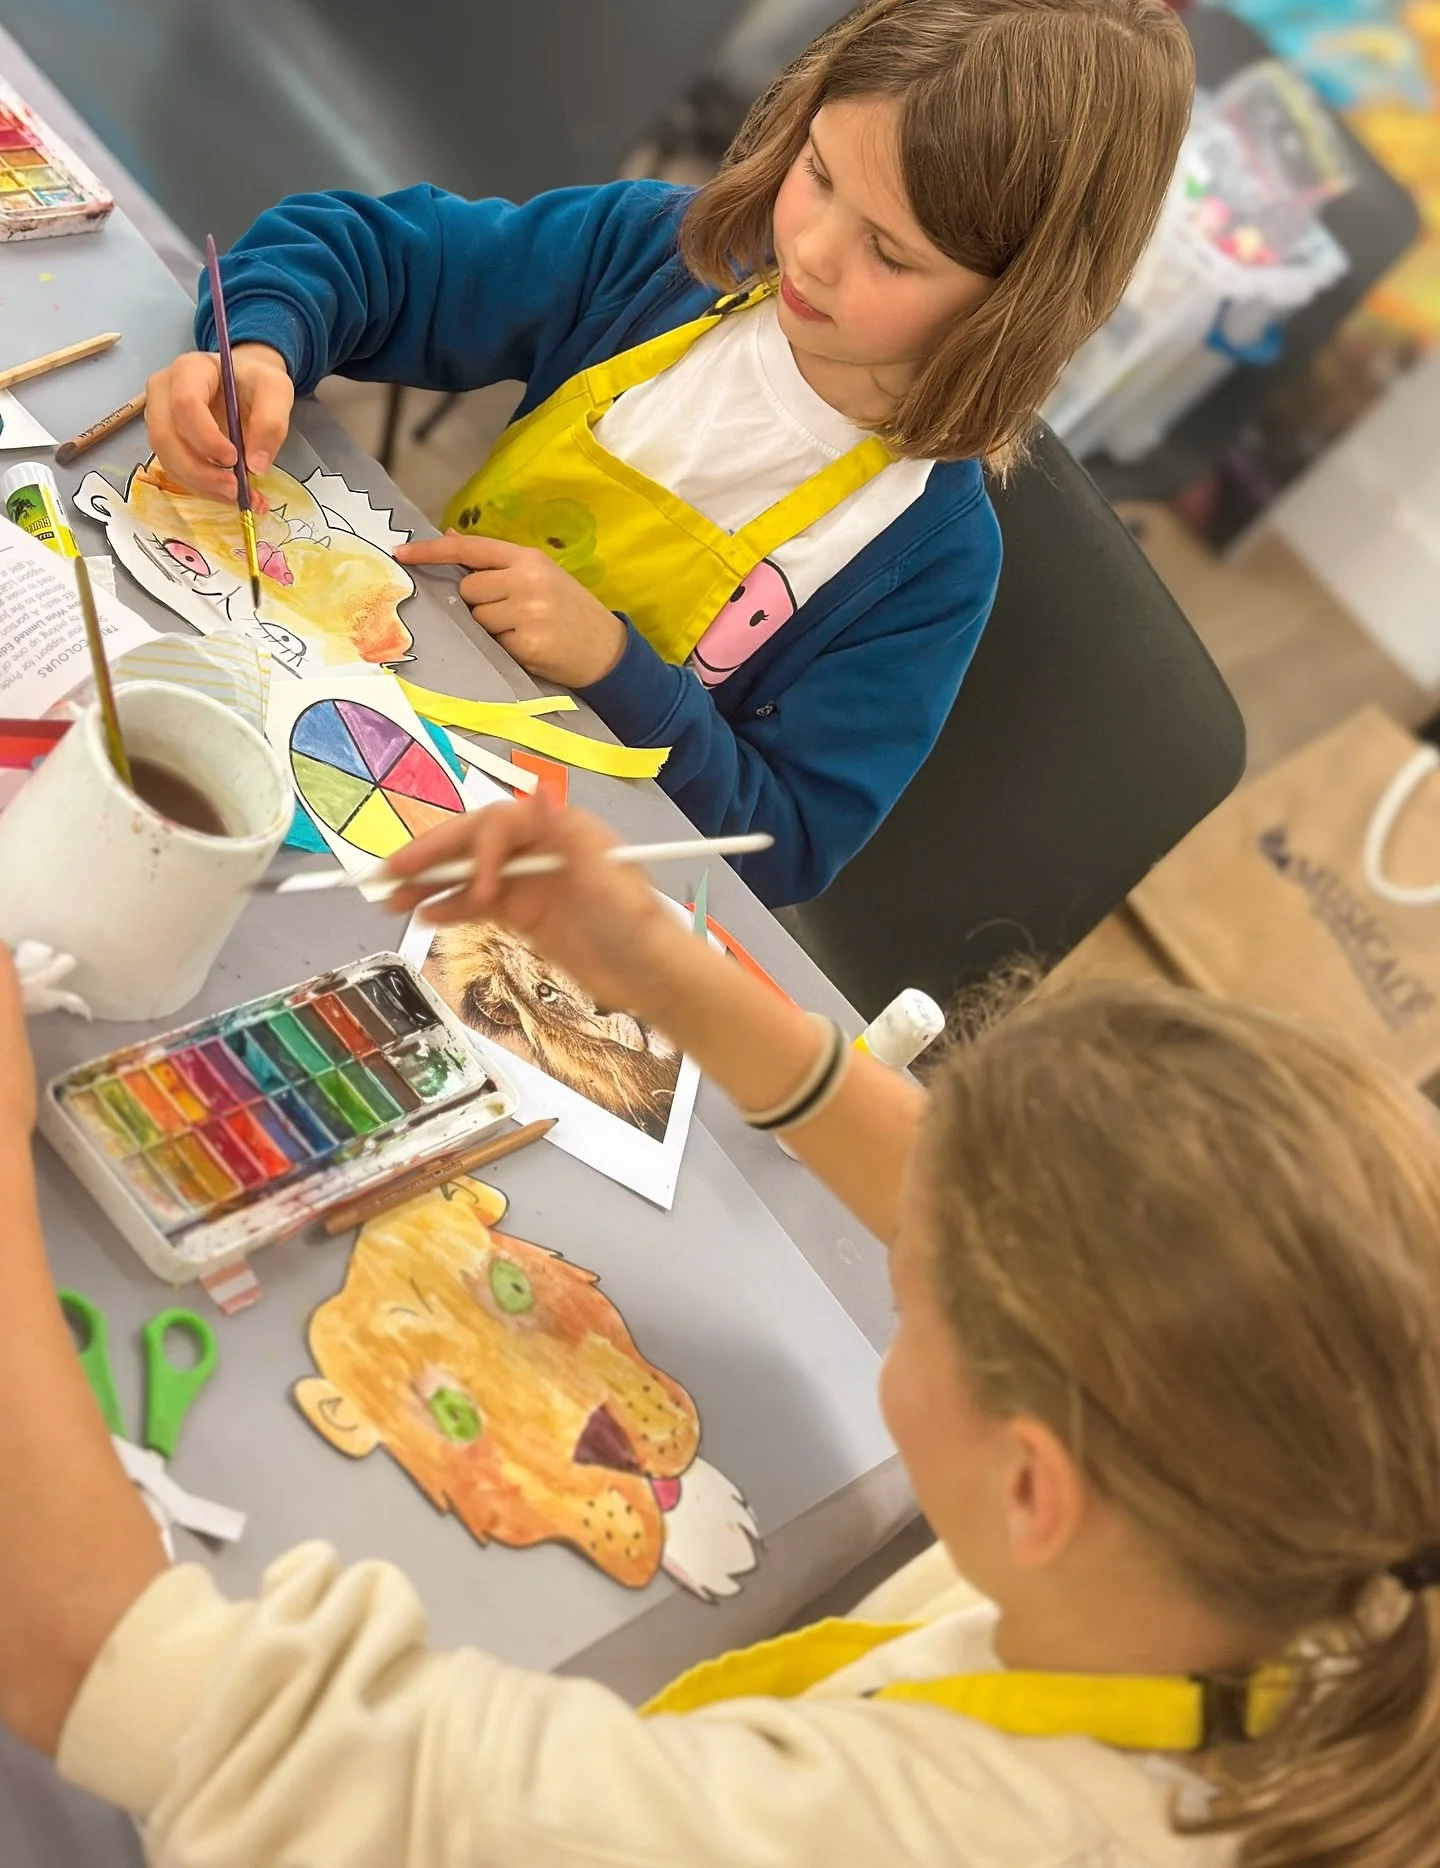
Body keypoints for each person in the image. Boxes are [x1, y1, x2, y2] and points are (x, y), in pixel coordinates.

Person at [4, 799, 1440, 1867]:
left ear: (1031, 1488)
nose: (901, 1249)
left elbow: (105, 1661)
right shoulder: (1309, 1527)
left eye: (914, 1290)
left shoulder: (897, 1835)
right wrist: (673, 980)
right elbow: (999, 1213)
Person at [144, 0, 1195, 907]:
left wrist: (618, 667)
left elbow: (780, 846)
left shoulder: (927, 562)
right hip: (343, 713)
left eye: (889, 251)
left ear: (1017, 304)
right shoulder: (659, 254)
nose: (816, 249)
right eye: (819, 174)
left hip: (532, 885)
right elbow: (374, 260)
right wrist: (264, 345)